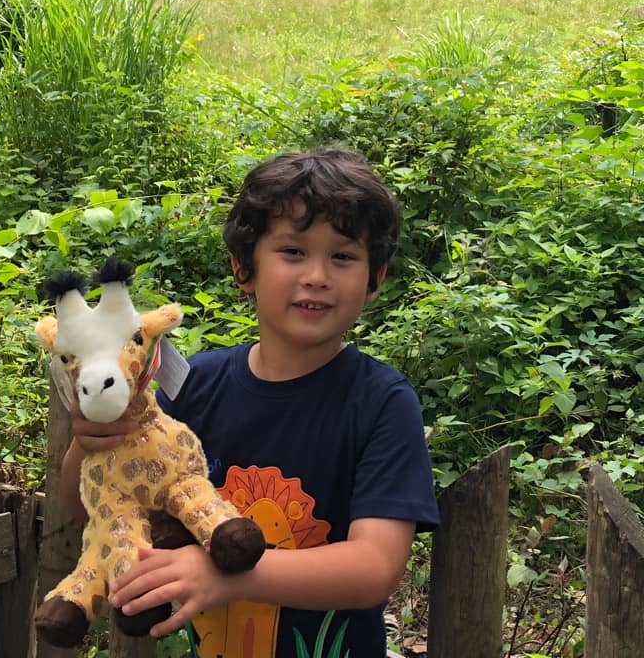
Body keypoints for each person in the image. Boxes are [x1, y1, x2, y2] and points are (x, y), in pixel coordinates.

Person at [60, 147, 439, 657]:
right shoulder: (193, 384)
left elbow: (373, 568)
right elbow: (90, 501)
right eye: (293, 252)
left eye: (343, 256)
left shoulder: (381, 402)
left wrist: (232, 576)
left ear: (376, 278)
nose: (317, 276)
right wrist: (88, 443)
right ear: (244, 267)